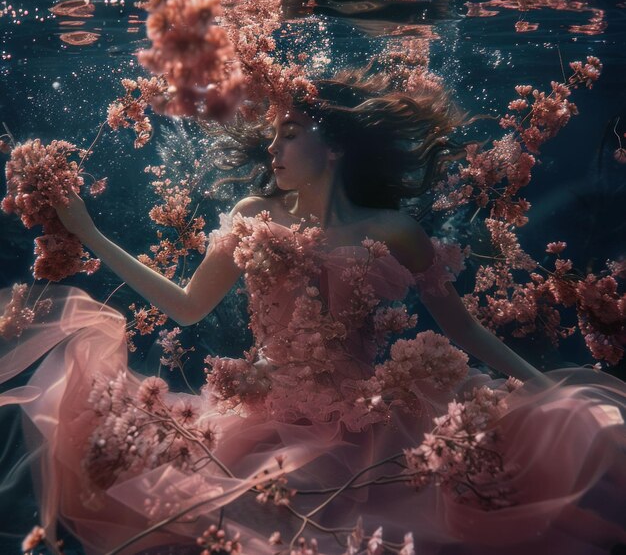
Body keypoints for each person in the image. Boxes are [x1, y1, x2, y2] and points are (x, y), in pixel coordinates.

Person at [1, 72, 625, 555]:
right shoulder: (253, 215)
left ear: (334, 146)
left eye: (289, 131)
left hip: (379, 425)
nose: (272, 146)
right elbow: (186, 308)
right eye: (273, 133)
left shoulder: (394, 230)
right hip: (265, 424)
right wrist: (87, 232)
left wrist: (549, 393)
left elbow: (463, 329)